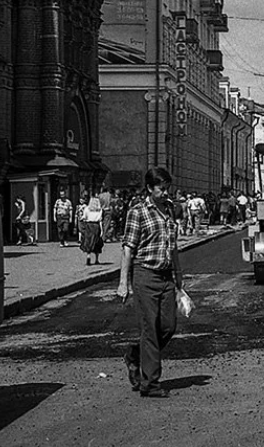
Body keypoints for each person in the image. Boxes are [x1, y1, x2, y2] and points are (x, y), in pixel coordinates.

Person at [117, 167, 182, 399]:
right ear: (149, 189)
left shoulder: (170, 210)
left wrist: (179, 278)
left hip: (166, 277)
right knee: (150, 330)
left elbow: (172, 247)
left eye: (167, 188)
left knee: (168, 326)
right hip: (145, 276)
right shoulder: (138, 212)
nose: (166, 193)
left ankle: (135, 355)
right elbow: (128, 249)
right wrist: (124, 283)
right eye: (161, 189)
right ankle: (150, 384)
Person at [80, 196, 104, 266]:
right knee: (97, 242)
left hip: (89, 225)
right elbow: (100, 220)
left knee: (88, 241)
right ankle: (96, 259)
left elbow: (84, 217)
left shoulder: (87, 209)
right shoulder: (100, 210)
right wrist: (102, 230)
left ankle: (88, 256)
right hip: (96, 226)